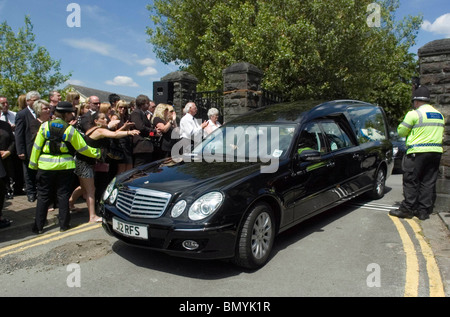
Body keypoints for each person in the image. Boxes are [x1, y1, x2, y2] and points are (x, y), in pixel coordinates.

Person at [29, 102, 102, 234]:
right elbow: (82, 148)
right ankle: (64, 225)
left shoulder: (45, 126)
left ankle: (38, 227)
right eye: (70, 113)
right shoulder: (69, 129)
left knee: (43, 196)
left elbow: (37, 147)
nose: (72, 115)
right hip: (65, 167)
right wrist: (98, 153)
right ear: (65, 114)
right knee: (63, 195)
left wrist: (33, 165)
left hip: (45, 167)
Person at [69, 112, 139, 223]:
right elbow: (115, 135)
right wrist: (129, 132)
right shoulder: (98, 130)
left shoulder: (95, 129)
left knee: (83, 187)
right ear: (96, 121)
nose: (106, 120)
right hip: (84, 163)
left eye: (106, 118)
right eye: (102, 118)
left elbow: (114, 133)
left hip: (83, 161)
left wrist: (123, 128)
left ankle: (70, 203)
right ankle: (92, 216)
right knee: (91, 190)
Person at [389, 86, 445, 221]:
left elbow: (402, 132)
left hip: (417, 153)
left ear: (417, 101)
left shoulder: (414, 114)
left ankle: (407, 209)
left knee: (410, 180)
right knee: (428, 181)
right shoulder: (439, 115)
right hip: (435, 153)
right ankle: (423, 212)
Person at [15, 91, 40, 202]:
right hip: (28, 147)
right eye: (34, 100)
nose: (36, 103)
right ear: (28, 101)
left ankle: (39, 191)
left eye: (37, 100)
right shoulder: (22, 114)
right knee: (29, 172)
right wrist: (20, 150)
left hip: (39, 147)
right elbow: (19, 134)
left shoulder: (42, 113)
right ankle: (31, 192)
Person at [130, 95, 156, 167]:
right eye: (147, 103)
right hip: (141, 146)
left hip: (147, 147)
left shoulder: (143, 113)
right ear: (142, 104)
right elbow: (141, 128)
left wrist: (153, 134)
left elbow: (146, 131)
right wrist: (154, 131)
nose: (149, 105)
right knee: (140, 169)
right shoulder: (136, 113)